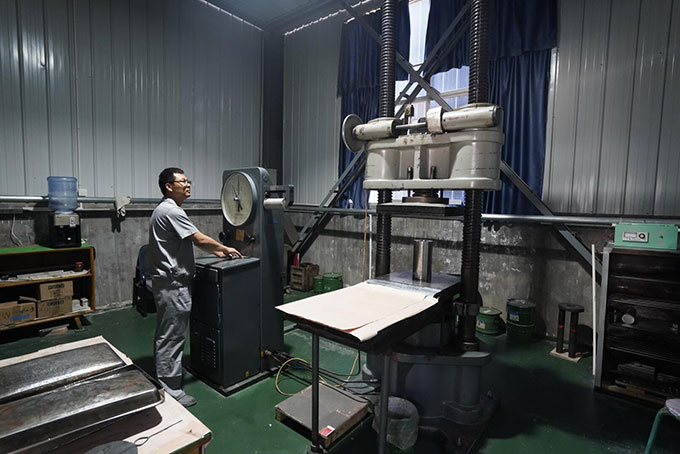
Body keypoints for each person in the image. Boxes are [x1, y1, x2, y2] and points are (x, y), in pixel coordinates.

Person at [147, 167, 241, 407]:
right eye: (182, 181)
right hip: (173, 285)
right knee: (172, 336)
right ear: (169, 186)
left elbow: (190, 240)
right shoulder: (172, 211)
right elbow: (198, 238)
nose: (188, 184)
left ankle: (164, 376)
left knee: (167, 333)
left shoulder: (163, 209)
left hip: (167, 282)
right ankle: (170, 389)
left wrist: (217, 251)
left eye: (188, 180)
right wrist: (224, 248)